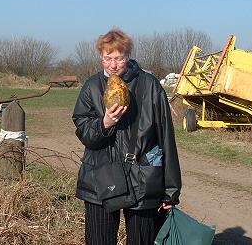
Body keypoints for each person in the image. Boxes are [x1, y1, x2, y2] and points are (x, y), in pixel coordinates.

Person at [72, 28, 182, 245]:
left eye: (119, 58)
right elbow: (84, 132)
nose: (113, 65)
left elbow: (165, 136)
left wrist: (171, 190)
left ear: (128, 55)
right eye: (107, 58)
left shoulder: (150, 85)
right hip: (100, 177)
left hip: (143, 177)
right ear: (101, 56)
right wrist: (105, 123)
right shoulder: (92, 87)